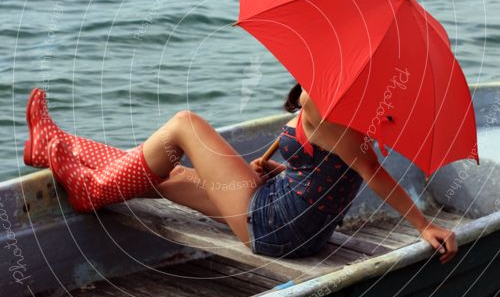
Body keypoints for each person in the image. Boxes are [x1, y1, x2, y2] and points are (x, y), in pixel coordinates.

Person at [23, 83, 457, 263]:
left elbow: (370, 170)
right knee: (166, 178)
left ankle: (92, 191)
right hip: (293, 218)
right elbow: (332, 170)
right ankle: (56, 146)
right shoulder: (349, 106)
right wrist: (284, 169)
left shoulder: (325, 104)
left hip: (276, 225)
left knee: (184, 126)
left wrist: (422, 225)